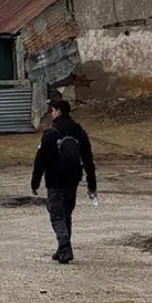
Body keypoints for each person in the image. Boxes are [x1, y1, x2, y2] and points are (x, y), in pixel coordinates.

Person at [30, 96, 97, 264]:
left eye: (52, 110)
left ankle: (65, 247)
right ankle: (62, 248)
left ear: (59, 112)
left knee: (56, 215)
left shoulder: (50, 133)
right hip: (73, 179)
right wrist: (91, 184)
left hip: (55, 180)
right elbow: (88, 159)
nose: (51, 113)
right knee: (67, 214)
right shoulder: (79, 131)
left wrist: (35, 182)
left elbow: (41, 160)